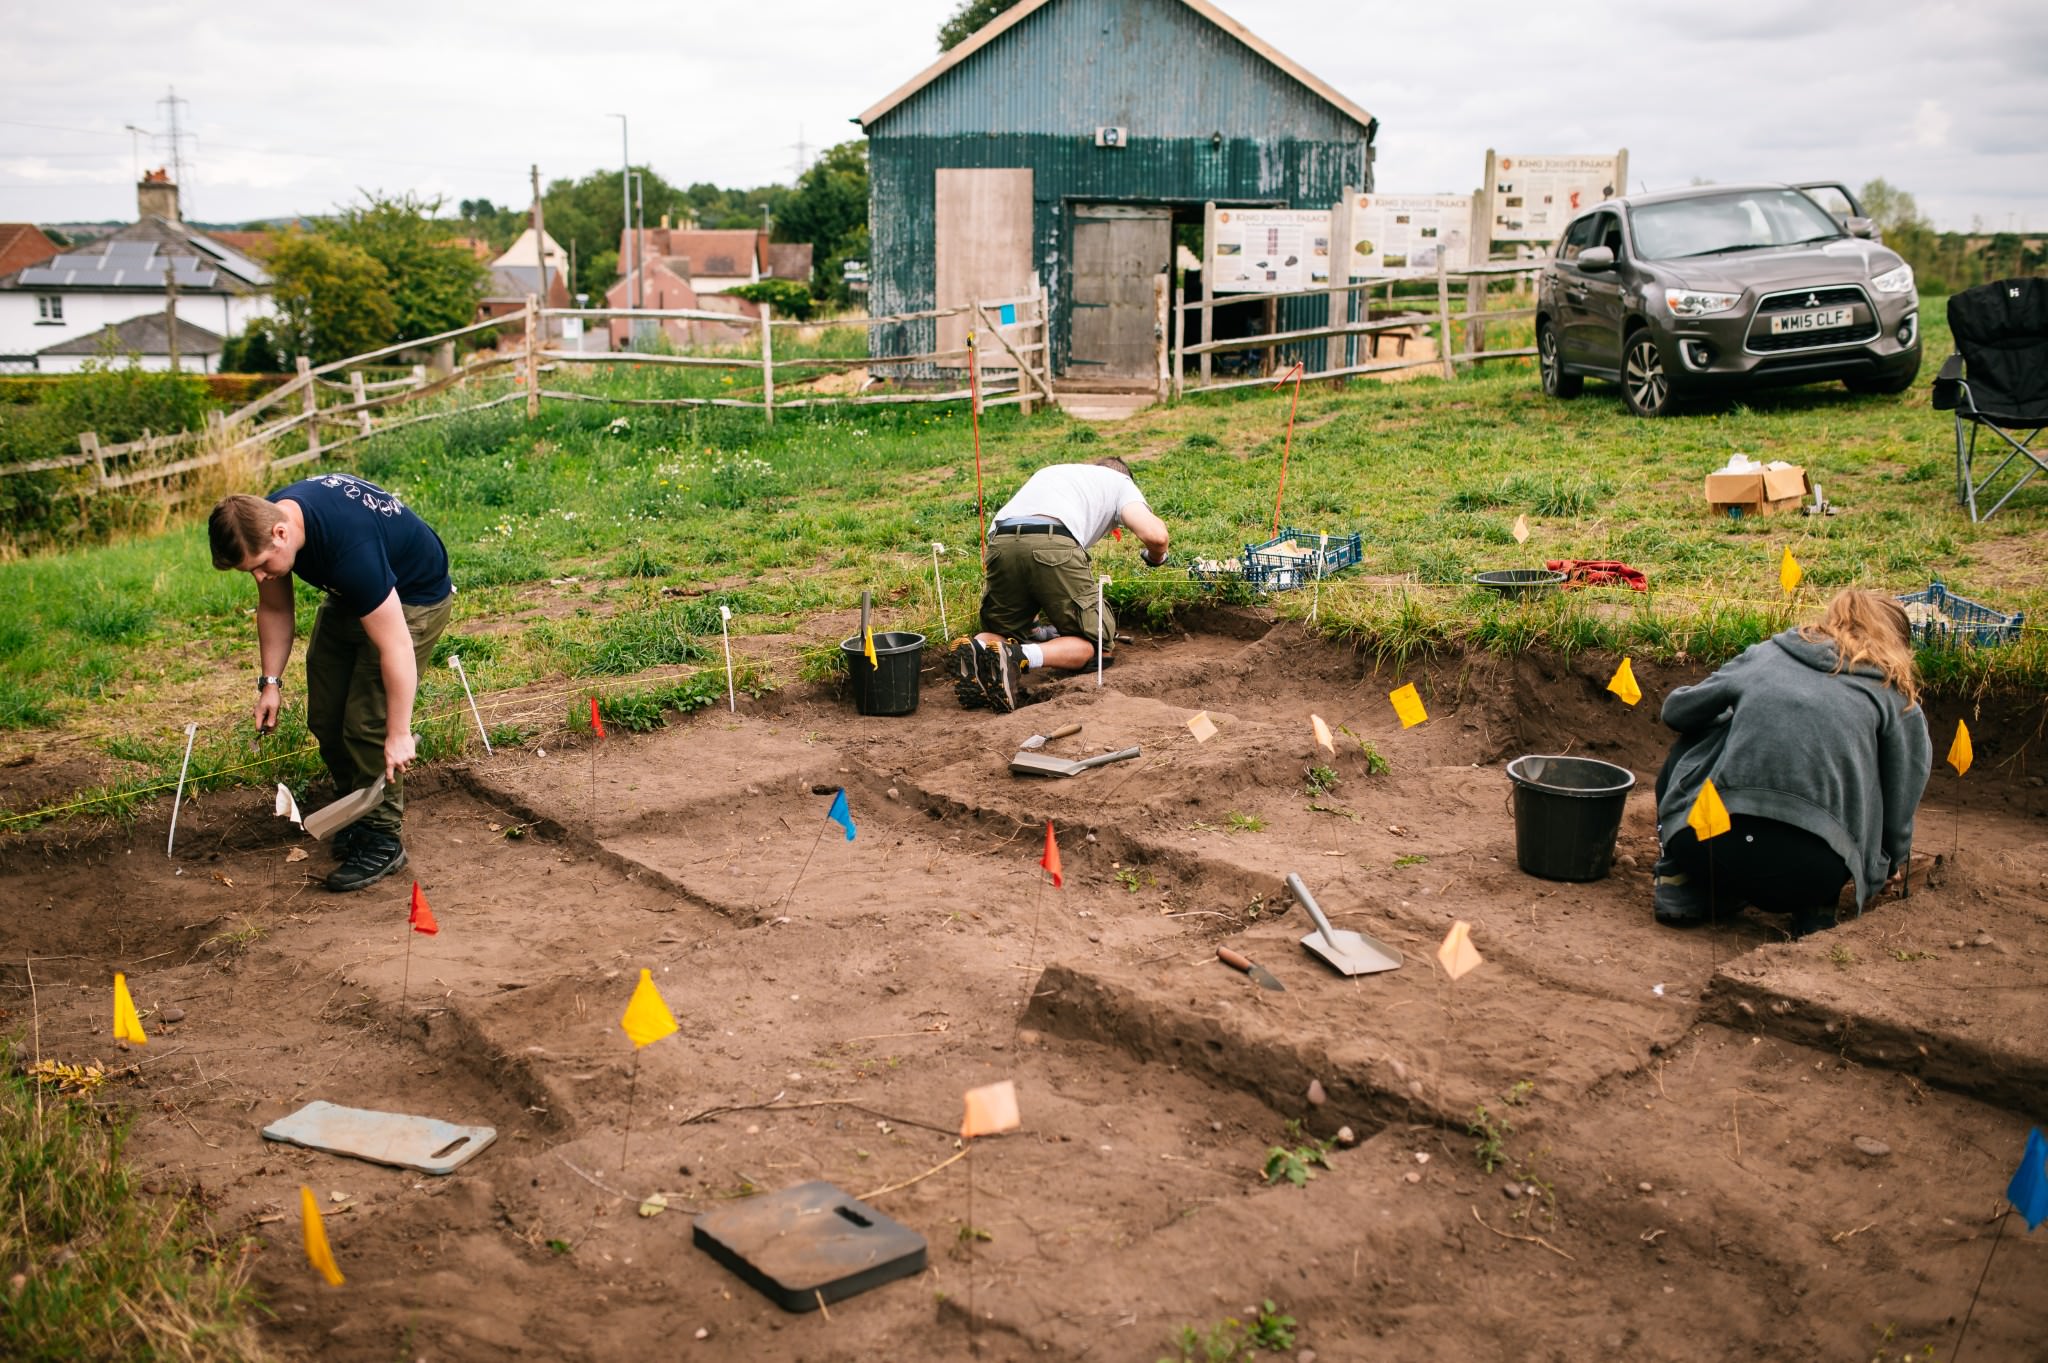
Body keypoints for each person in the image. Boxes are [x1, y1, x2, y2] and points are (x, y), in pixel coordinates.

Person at [207, 474, 453, 892]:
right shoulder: (265, 523)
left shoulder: (349, 551)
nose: (262, 577)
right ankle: (354, 809)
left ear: (280, 534)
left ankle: (381, 837)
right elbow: (275, 609)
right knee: (325, 713)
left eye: (263, 566)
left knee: (367, 723)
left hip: (413, 597)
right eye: (252, 572)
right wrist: (271, 684)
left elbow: (396, 645)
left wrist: (398, 732)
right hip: (352, 595)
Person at [1651, 589, 1931, 935]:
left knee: (1704, 731)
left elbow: (1678, 713)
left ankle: (1682, 876)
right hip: (1812, 872)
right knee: (1866, 767)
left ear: (1832, 619)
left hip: (1706, 847)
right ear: (1896, 642)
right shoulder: (1895, 696)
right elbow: (1903, 791)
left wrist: (1736, 715)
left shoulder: (1767, 655)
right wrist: (1887, 865)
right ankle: (1815, 904)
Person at [953, 457, 1170, 712]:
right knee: (1097, 645)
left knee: (1003, 633)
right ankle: (1017, 657)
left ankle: (978, 652)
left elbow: (1029, 563)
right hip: (1054, 539)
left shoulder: (1053, 473)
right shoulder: (1119, 482)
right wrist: (1157, 557)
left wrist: (1032, 624)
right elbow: (1156, 536)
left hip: (1001, 541)